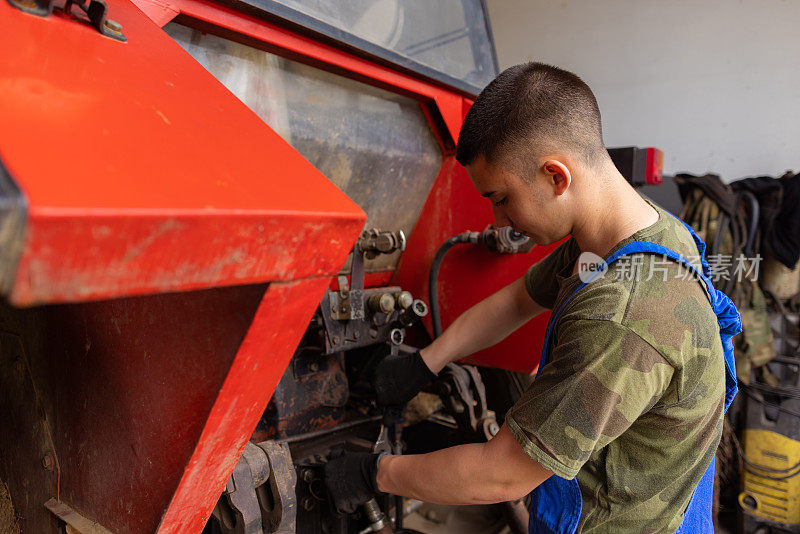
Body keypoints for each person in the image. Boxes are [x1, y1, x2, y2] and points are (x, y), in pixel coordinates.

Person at [324, 62, 738, 533]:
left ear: (555, 177)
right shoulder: (633, 237)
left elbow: (498, 475)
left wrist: (375, 472)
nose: (499, 221)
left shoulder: (623, 316)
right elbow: (517, 301)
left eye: (500, 197)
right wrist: (426, 362)